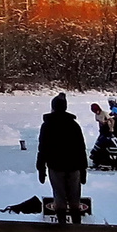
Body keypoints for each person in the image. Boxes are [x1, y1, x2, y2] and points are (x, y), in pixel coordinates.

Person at [36, 93, 87, 224]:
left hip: (56, 166)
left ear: (53, 107)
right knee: (75, 197)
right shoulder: (74, 125)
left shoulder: (47, 125)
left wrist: (41, 168)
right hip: (74, 166)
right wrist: (83, 168)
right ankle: (77, 225)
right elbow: (81, 148)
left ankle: (62, 225)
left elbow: (43, 148)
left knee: (59, 195)